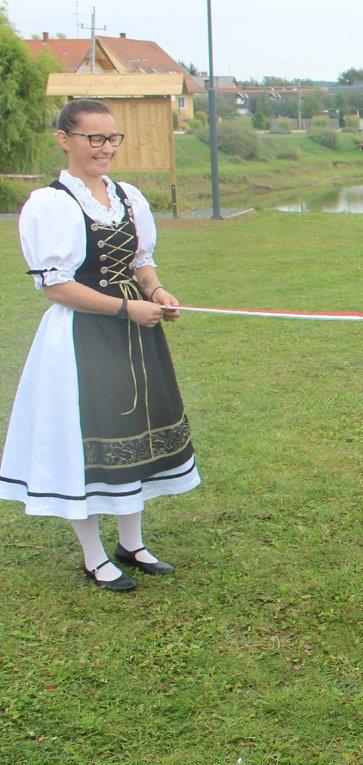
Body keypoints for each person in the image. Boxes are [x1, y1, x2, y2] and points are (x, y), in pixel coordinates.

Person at [4, 99, 197, 592]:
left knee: (134, 431)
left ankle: (131, 543)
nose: (105, 148)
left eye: (112, 138)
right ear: (64, 139)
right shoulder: (50, 204)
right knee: (87, 442)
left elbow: (141, 262)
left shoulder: (128, 197)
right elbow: (56, 287)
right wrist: (124, 308)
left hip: (135, 333)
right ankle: (94, 556)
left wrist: (156, 292)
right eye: (94, 138)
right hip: (81, 338)